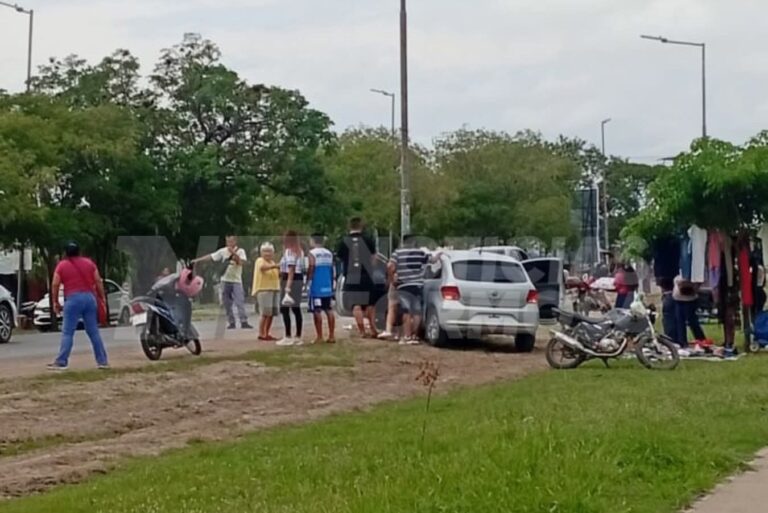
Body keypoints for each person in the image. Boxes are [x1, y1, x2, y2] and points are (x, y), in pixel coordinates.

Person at [48, 242, 109, 371]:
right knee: (93, 331)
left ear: (66, 253)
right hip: (89, 298)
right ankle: (102, 361)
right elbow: (98, 280)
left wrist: (55, 302)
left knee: (68, 332)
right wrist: (102, 297)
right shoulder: (89, 263)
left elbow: (55, 284)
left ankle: (61, 361)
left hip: (73, 299)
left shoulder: (62, 265)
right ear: (79, 252)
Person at [193, 235, 252, 330]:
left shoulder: (241, 251)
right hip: (225, 279)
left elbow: (242, 262)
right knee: (227, 302)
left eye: (231, 241)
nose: (229, 244)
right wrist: (198, 260)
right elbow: (211, 256)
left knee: (239, 301)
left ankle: (243, 321)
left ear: (235, 241)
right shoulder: (223, 251)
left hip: (236, 280)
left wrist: (233, 253)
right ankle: (231, 322)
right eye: (228, 241)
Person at [389, 236, 439, 344]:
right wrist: (439, 255)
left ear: (403, 242)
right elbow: (433, 260)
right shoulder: (420, 253)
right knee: (416, 312)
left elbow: (390, 266)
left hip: (403, 286)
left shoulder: (397, 253)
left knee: (406, 311)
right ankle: (414, 336)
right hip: (417, 285)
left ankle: (407, 336)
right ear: (414, 242)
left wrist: (392, 279)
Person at [336, 217, 378, 338]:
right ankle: (373, 329)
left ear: (350, 226)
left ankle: (362, 331)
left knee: (356, 305)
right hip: (366, 275)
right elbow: (374, 259)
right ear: (361, 225)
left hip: (351, 275)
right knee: (370, 304)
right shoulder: (368, 239)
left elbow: (339, 258)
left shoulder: (343, 241)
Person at [307, 234, 336, 344]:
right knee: (329, 309)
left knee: (317, 310)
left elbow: (312, 266)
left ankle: (319, 336)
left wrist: (309, 280)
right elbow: (332, 268)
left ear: (313, 241)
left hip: (316, 285)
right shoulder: (329, 253)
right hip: (327, 285)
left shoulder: (312, 253)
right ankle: (332, 335)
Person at [278, 231, 306, 346]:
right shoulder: (300, 252)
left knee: (284, 309)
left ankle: (288, 335)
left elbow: (291, 271)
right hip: (298, 280)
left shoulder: (289, 252)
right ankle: (298, 336)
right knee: (296, 308)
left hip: (290, 280)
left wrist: (287, 288)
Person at [252, 242, 281, 343]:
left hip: (274, 289)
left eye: (269, 251)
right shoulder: (260, 260)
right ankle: (261, 333)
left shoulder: (272, 262)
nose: (267, 253)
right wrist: (276, 266)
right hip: (264, 289)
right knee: (264, 313)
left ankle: (266, 333)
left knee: (271, 313)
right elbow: (262, 268)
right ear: (261, 252)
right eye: (265, 251)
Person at [673, 275, 706, 348]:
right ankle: (682, 342)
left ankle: (701, 339)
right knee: (680, 322)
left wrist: (694, 287)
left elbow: (699, 281)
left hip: (690, 299)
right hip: (678, 299)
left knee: (692, 321)